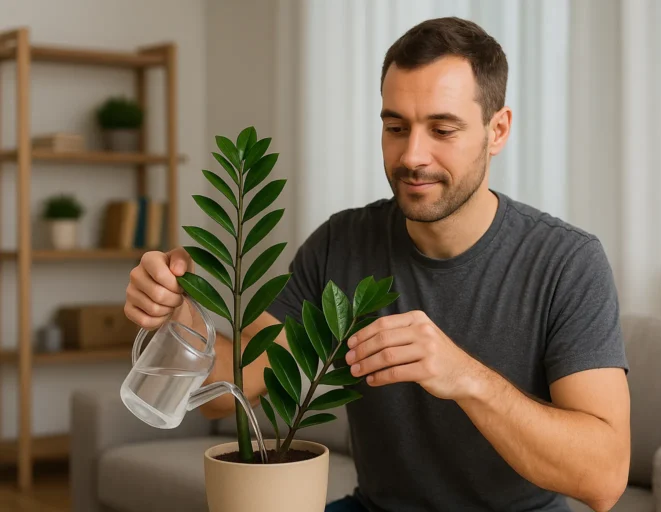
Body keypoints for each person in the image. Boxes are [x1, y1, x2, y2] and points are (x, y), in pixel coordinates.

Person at [125, 16, 630, 512]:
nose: (412, 156)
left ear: (497, 130)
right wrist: (179, 317)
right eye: (396, 127)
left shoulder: (567, 263)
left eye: (442, 129)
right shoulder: (341, 244)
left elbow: (604, 480)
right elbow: (227, 394)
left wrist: (466, 377)